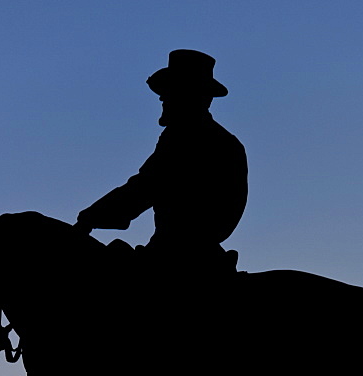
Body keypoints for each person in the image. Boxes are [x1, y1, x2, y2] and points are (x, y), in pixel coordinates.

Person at [74, 49, 248, 280]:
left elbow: (145, 187)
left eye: (169, 92)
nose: (162, 98)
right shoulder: (222, 141)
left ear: (188, 94)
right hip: (201, 254)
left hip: (175, 257)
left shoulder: (186, 138)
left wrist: (90, 217)